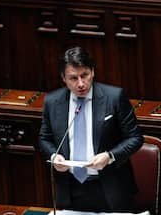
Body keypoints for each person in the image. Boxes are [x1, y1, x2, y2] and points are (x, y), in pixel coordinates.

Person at [39, 46, 143, 212]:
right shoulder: (53, 101)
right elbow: (44, 138)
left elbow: (135, 138)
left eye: (84, 75)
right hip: (70, 189)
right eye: (73, 78)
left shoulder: (114, 97)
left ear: (92, 72)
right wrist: (54, 155)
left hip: (110, 187)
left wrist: (110, 156)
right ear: (63, 78)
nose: (81, 84)